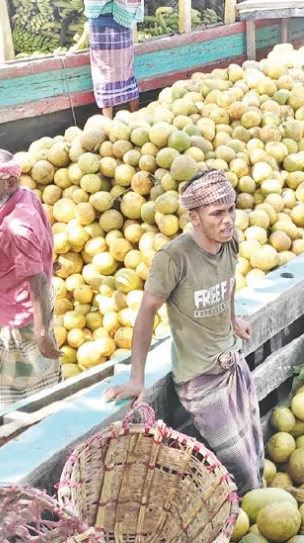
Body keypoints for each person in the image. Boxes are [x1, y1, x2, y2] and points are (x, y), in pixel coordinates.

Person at [104, 169, 263, 494]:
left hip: (232, 363)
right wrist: (137, 377)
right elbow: (146, 313)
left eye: (231, 209)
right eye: (217, 213)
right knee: (241, 471)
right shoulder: (173, 258)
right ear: (194, 217)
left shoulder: (230, 242)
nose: (228, 219)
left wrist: (232, 320)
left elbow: (228, 282)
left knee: (255, 454)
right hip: (199, 380)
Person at [0, 142, 61, 411]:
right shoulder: (24, 195)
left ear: (9, 184)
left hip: (21, 313)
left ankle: (23, 420)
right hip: (12, 306)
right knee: (30, 375)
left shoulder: (18, 228)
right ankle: (34, 414)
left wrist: (43, 332)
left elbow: (38, 282)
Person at [84, 0, 144, 118]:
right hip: (107, 20)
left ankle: (134, 118)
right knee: (110, 72)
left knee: (114, 72)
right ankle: (114, 123)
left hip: (116, 21)